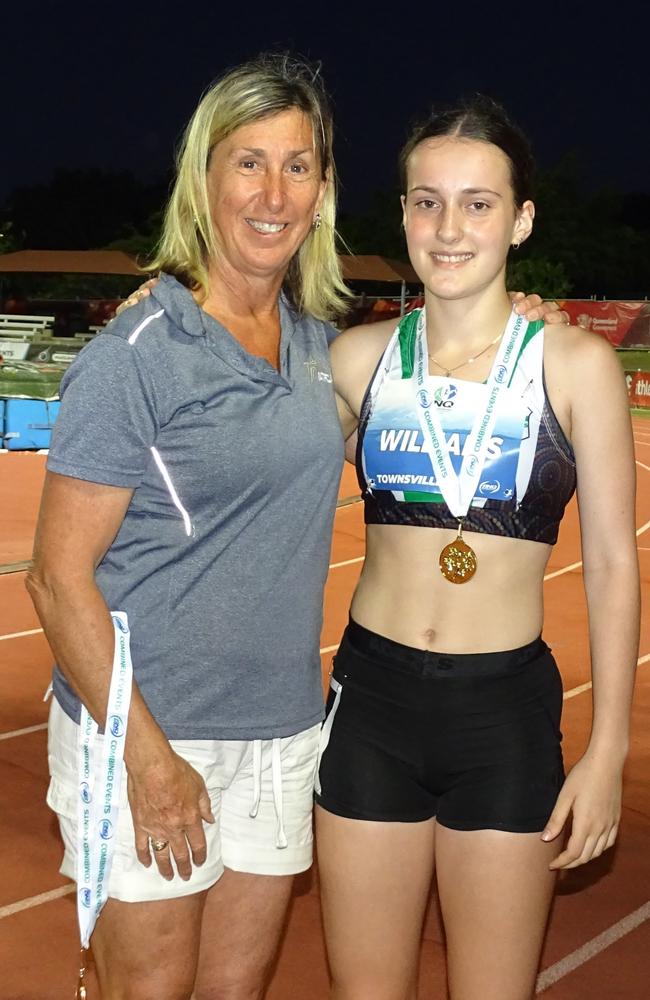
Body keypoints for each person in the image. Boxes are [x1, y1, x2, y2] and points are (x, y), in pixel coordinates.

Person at [28, 54, 566, 1000]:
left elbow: (450, 363)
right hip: (153, 732)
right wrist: (147, 760)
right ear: (205, 180)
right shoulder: (138, 355)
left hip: (282, 737)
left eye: (300, 165)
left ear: (322, 193)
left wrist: (518, 315)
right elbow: (55, 579)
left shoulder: (326, 351)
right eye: (248, 163)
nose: (274, 193)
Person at [314, 96, 639, 1000]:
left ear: (522, 220)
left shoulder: (575, 368)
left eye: (479, 203)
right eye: (426, 201)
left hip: (504, 717)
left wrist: (606, 748)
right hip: (371, 702)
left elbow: (614, 563)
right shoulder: (356, 360)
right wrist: (173, 290)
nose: (448, 227)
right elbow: (244, 418)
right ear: (404, 214)